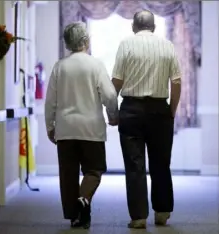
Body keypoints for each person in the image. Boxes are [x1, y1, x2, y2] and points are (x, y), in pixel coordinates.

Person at [111, 10, 182, 229]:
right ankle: (162, 212)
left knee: (135, 165)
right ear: (154, 27)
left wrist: (113, 112)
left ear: (133, 26)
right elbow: (177, 82)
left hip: (131, 109)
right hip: (160, 110)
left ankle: (139, 217)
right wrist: (171, 110)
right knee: (161, 163)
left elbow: (116, 82)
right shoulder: (167, 46)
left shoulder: (126, 44)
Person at [44, 22, 118, 229]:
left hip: (66, 129)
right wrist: (113, 115)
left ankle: (75, 216)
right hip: (91, 129)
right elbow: (110, 95)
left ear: (67, 43)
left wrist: (50, 126)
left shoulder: (60, 67)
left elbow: (50, 101)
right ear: (86, 41)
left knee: (68, 174)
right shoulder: (95, 65)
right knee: (94, 170)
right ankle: (83, 198)